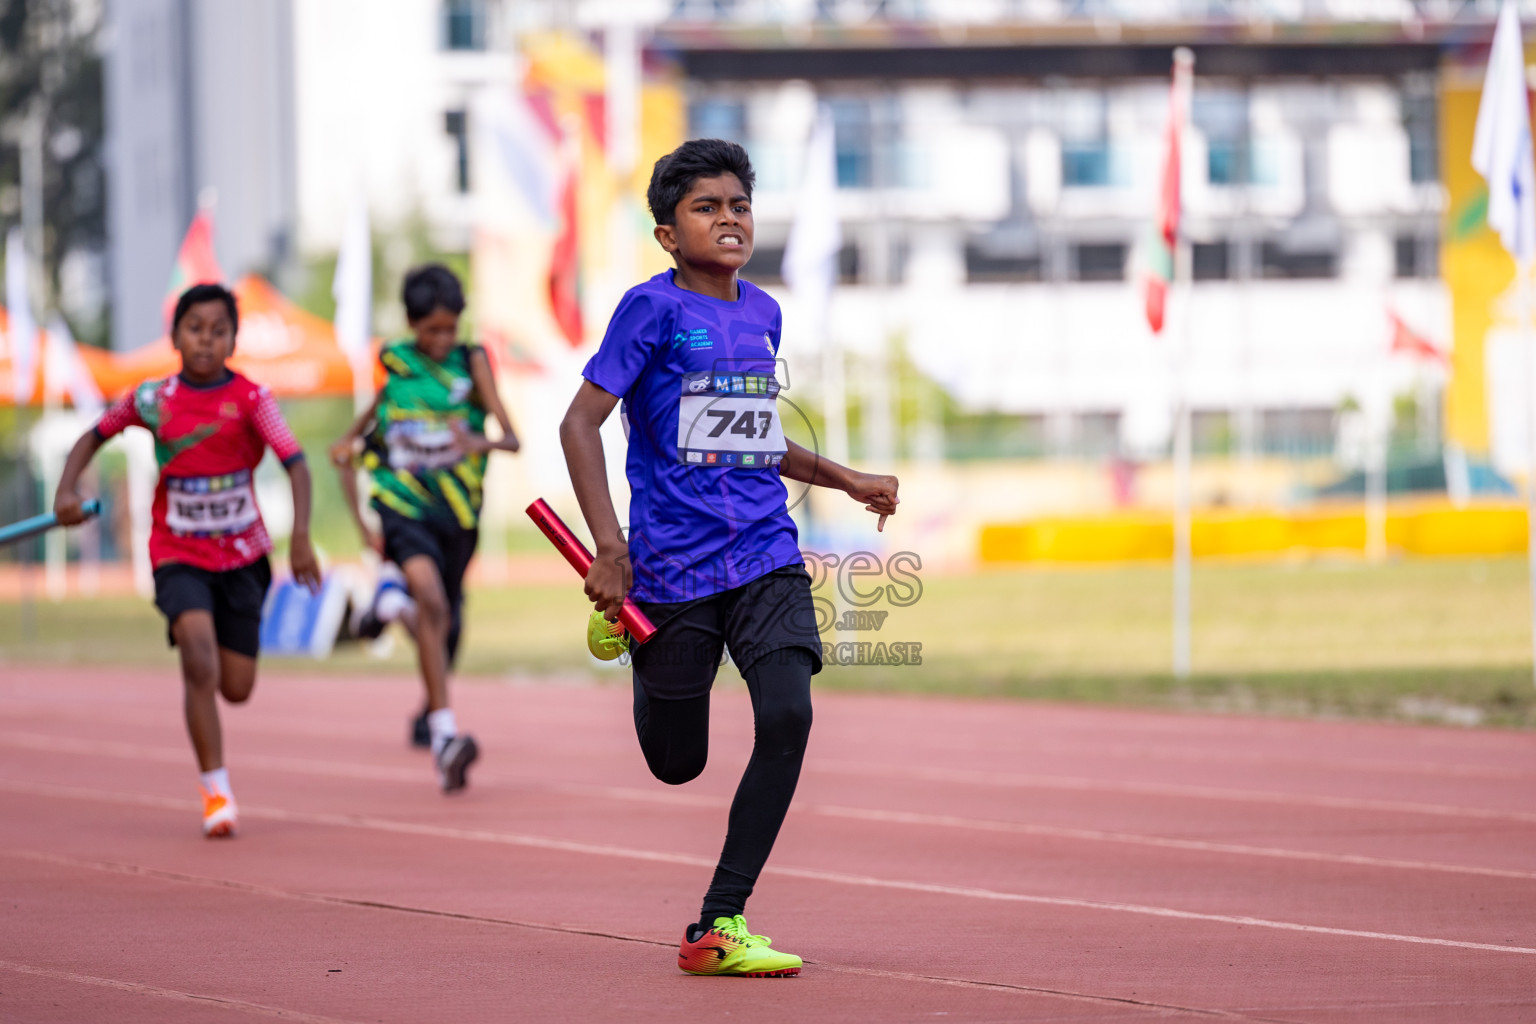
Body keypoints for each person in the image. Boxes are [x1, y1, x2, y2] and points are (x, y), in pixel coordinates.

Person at [560, 138, 899, 977]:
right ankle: (629, 636)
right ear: (668, 233)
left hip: (764, 553)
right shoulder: (651, 311)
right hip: (670, 566)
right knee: (679, 764)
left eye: (739, 204)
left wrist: (845, 477)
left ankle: (719, 922)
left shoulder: (763, 312)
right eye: (706, 207)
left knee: (788, 714)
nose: (729, 219)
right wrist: (611, 547)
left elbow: (750, 437)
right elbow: (579, 424)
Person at [53, 282, 320, 838]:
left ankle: (216, 741)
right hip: (177, 552)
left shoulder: (252, 399)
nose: (205, 340)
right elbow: (91, 436)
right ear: (175, 335)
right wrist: (66, 491)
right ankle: (216, 792)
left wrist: (300, 540)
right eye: (194, 328)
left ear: (233, 339)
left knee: (237, 687)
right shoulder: (151, 399)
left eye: (218, 330)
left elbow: (296, 463)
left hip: (243, 555)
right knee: (198, 657)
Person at [330, 263, 520, 792]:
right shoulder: (396, 364)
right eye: (429, 330)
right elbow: (346, 448)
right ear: (412, 325)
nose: (440, 340)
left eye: (448, 329)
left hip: (458, 514)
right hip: (403, 506)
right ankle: (444, 737)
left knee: (445, 623)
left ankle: (391, 604)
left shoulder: (471, 362)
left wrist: (475, 442)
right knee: (433, 602)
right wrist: (365, 526)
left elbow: (511, 439)